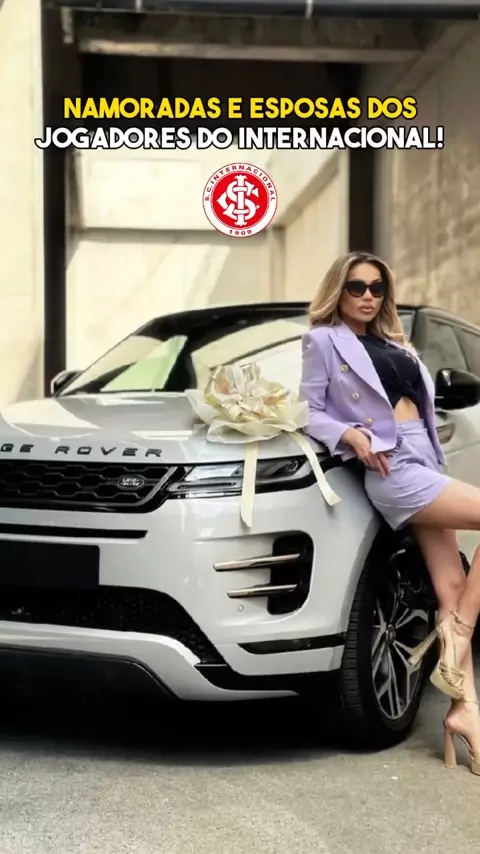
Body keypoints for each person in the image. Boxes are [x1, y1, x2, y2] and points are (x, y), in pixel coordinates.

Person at [300, 250, 480, 775]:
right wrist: (348, 434)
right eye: (356, 287)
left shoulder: (397, 343)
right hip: (392, 465)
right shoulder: (322, 341)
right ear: (338, 289)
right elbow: (308, 408)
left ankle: (465, 711)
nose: (367, 296)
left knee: (450, 586)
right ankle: (459, 635)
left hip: (425, 456)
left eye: (377, 288)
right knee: (456, 602)